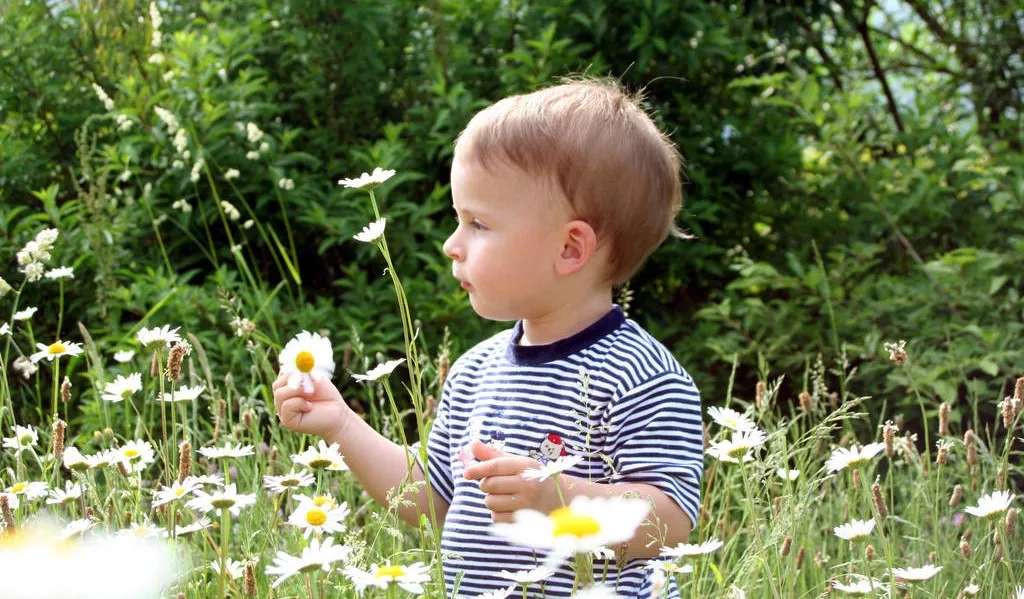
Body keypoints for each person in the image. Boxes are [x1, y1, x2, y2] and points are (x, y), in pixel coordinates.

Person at [273, 78, 703, 598]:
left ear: (570, 248)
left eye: (478, 223)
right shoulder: (475, 372)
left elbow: (673, 521)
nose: (453, 245)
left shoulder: (642, 374)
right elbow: (433, 501)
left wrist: (561, 499)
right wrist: (341, 424)